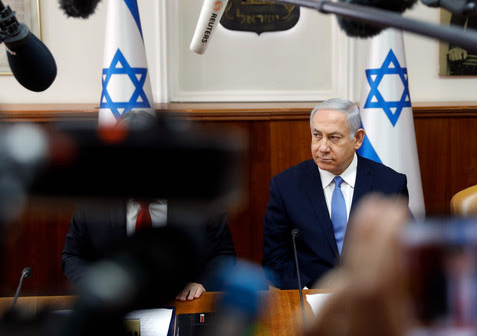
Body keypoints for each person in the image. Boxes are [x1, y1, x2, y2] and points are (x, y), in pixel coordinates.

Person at [61, 111, 237, 301]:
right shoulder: (94, 202)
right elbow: (72, 256)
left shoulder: (200, 200)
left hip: (184, 303)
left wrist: (202, 283)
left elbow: (223, 255)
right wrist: (99, 284)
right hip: (114, 305)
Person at [262, 98, 409, 289]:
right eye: (317, 135)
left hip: (370, 297)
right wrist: (307, 295)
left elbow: (401, 255)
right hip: (308, 299)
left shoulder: (390, 185)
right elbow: (275, 259)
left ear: (357, 139)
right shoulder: (286, 186)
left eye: (333, 137)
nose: (322, 147)